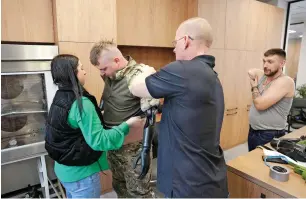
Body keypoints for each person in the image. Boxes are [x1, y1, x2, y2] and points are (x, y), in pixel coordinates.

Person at [129, 17, 228, 198]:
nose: (174, 48)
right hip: (210, 178)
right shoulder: (211, 75)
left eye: (175, 42)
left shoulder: (182, 70)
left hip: (187, 184)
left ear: (186, 41)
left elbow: (137, 88)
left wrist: (145, 72)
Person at [44, 54, 144, 198]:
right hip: (82, 175)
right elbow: (100, 141)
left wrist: (98, 115)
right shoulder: (81, 103)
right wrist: (127, 125)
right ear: (73, 73)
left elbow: (72, 126)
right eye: (81, 68)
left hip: (64, 171)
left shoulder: (59, 96)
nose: (85, 72)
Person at [89, 41, 159, 198]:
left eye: (104, 68)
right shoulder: (110, 75)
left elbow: (153, 106)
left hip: (133, 150)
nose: (103, 73)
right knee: (120, 187)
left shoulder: (140, 75)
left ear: (116, 60)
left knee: (139, 193)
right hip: (113, 146)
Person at [248, 48, 295, 151]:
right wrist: (263, 73)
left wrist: (254, 87)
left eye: (270, 62)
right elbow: (251, 71)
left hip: (269, 133)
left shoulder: (285, 81)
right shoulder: (265, 77)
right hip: (254, 130)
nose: (265, 65)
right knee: (251, 163)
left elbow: (260, 105)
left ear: (282, 63)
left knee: (261, 165)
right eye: (264, 61)